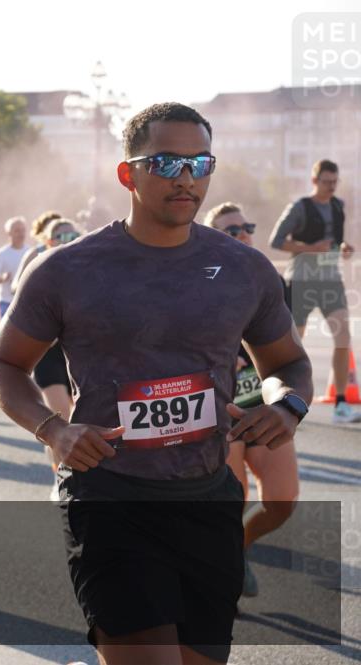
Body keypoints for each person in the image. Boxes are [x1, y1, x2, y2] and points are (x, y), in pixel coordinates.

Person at [0, 102, 313, 665]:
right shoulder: (67, 269)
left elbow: (288, 362)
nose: (186, 178)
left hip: (209, 502)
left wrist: (286, 408)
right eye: (165, 163)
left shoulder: (245, 269)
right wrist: (52, 429)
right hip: (112, 500)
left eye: (199, 163)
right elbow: (6, 366)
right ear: (127, 174)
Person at [205, 202, 299, 599]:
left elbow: (289, 349)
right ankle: (218, 571)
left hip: (259, 405)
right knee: (232, 500)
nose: (242, 234)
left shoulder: (272, 281)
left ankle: (237, 547)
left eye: (247, 227)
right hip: (217, 411)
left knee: (282, 502)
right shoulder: (197, 283)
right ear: (211, 240)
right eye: (231, 230)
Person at [269, 159, 361, 424]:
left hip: (331, 279)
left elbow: (334, 241)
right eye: (326, 182)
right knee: (294, 345)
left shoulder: (339, 206)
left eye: (335, 182)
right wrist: (311, 248)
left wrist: (343, 248)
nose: (331, 187)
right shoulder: (299, 207)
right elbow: (275, 241)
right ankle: (285, 403)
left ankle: (341, 404)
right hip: (301, 279)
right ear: (314, 181)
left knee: (343, 336)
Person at [13, 217, 82, 501]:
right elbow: (19, 290)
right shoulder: (39, 259)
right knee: (59, 419)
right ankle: (60, 477)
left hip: (76, 352)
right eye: (60, 236)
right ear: (49, 241)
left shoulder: (87, 261)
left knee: (82, 416)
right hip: (48, 352)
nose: (67, 240)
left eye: (72, 235)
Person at [0, 216, 32, 328]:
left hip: (26, 302)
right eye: (17, 231)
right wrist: (2, 278)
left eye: (23, 230)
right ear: (9, 233)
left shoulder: (31, 252)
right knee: (7, 333)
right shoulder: (2, 254)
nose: (21, 234)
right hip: (6, 302)